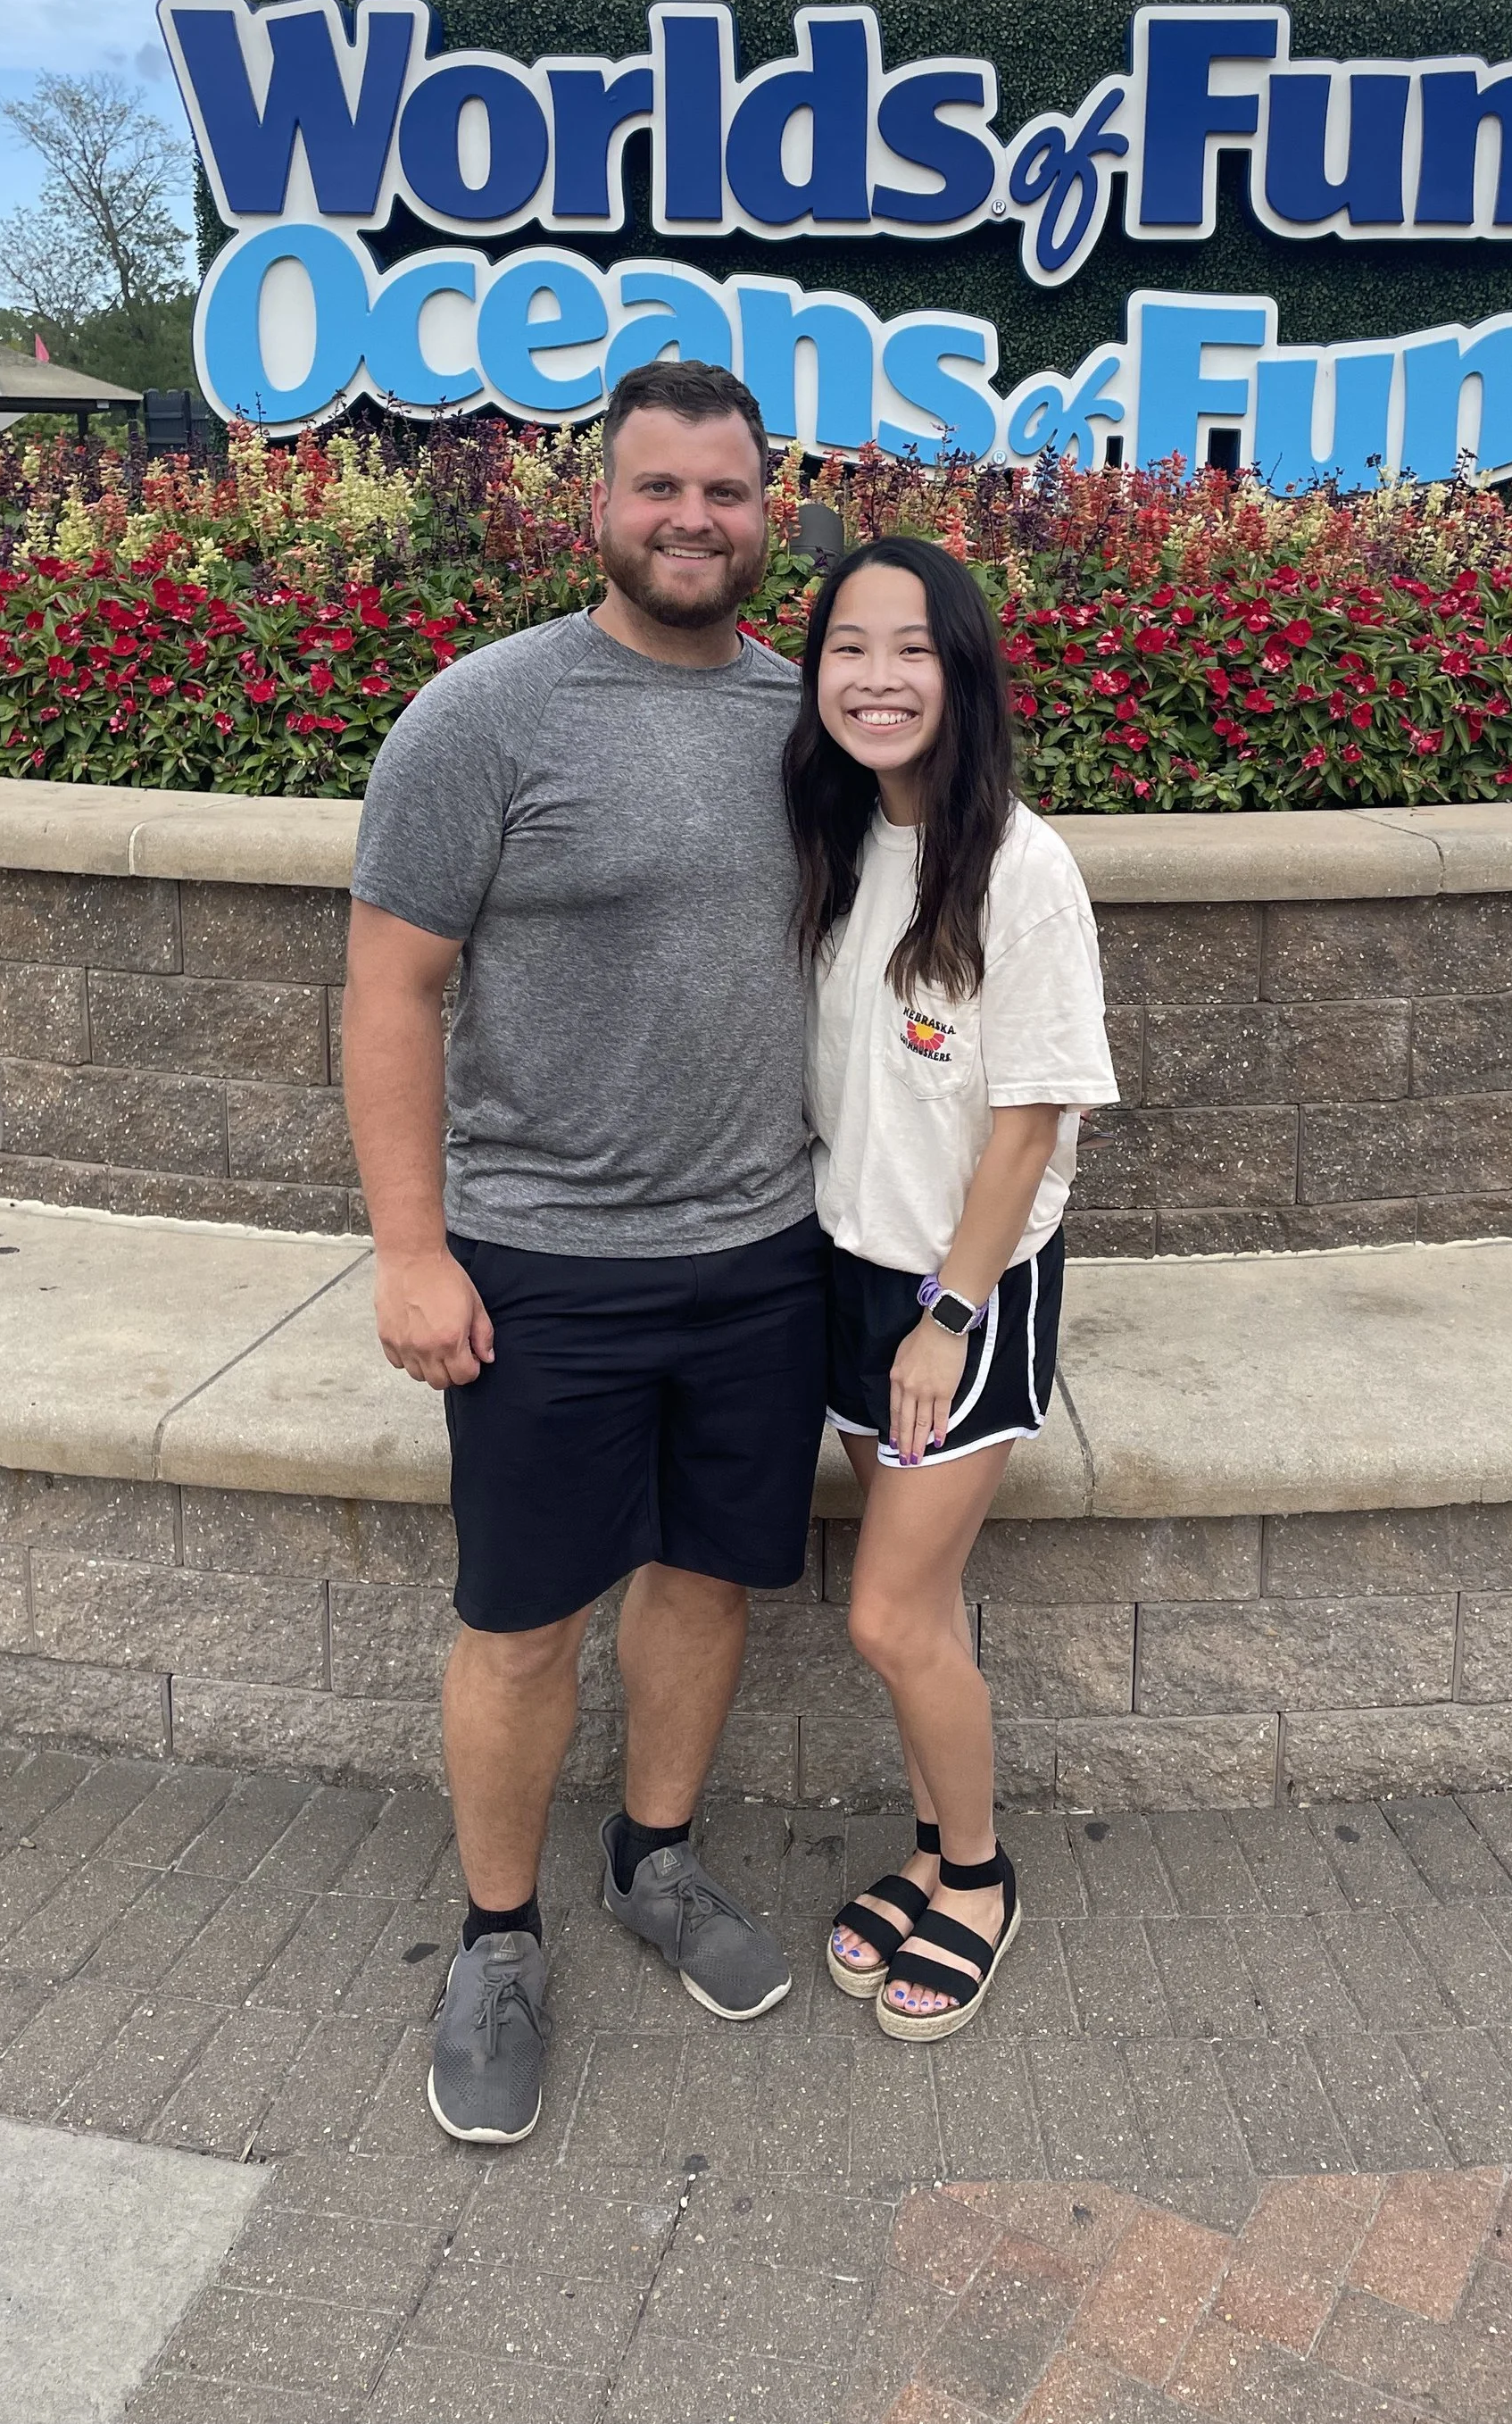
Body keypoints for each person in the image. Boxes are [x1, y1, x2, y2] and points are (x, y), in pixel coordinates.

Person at [343, 358, 826, 2147]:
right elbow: (389, 989)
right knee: (522, 1617)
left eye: (723, 490)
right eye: (657, 489)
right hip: (538, 1257)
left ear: (768, 509)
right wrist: (409, 1252)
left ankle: (655, 1858)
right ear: (596, 503)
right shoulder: (486, 715)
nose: (690, 519)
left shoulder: (811, 713)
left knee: (705, 1581)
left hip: (765, 1246)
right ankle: (491, 1939)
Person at [787, 535, 1117, 2041]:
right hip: (848, 1270)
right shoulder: (844, 842)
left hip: (958, 1299)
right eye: (848, 647)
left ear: (962, 668)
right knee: (922, 1611)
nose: (876, 676)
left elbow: (1031, 1120)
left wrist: (952, 1314)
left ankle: (978, 1876)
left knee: (887, 1615)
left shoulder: (1023, 870)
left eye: (910, 647)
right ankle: (927, 1849)